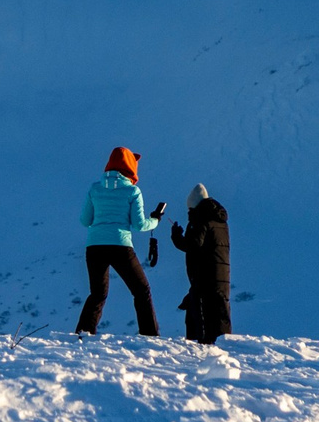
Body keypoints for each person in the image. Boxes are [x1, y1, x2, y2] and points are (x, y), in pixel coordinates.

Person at [75, 147, 161, 336]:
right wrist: (155, 220)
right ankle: (150, 335)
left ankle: (83, 332)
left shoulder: (94, 188)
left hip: (95, 246)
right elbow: (139, 225)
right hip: (120, 246)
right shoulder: (132, 191)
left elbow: (85, 221)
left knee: (98, 294)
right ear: (131, 167)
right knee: (141, 290)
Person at [172, 183, 232, 344]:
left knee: (201, 319)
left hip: (205, 276)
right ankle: (224, 349)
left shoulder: (201, 219)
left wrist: (177, 237)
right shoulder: (220, 221)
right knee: (219, 315)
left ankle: (200, 351)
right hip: (221, 274)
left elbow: (193, 245)